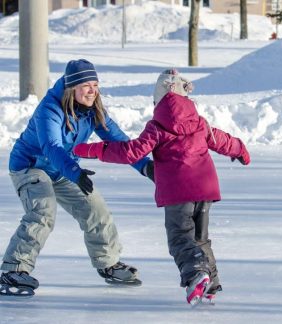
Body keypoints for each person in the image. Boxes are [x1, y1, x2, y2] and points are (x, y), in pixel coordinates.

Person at [73, 69, 251, 305]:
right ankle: (211, 284)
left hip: (178, 193)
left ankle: (197, 274)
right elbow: (221, 140)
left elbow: (131, 151)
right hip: (205, 189)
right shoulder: (199, 123)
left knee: (180, 238)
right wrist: (240, 150)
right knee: (200, 239)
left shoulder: (157, 127)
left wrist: (89, 149)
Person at [0, 59, 154, 297]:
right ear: (72, 87)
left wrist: (146, 168)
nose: (92, 90)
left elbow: (120, 142)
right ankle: (14, 269)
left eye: (95, 84)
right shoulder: (50, 109)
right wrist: (75, 172)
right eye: (86, 85)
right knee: (42, 211)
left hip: (63, 169)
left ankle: (108, 264)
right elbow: (51, 146)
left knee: (96, 209)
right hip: (30, 167)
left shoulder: (94, 111)